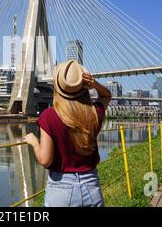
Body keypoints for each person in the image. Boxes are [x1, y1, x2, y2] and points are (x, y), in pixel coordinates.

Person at [23, 60, 111, 207]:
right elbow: (106, 96)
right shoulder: (94, 113)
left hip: (61, 189)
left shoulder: (49, 116)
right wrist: (95, 84)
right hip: (91, 185)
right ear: (84, 86)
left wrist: (34, 142)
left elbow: (45, 160)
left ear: (58, 86)